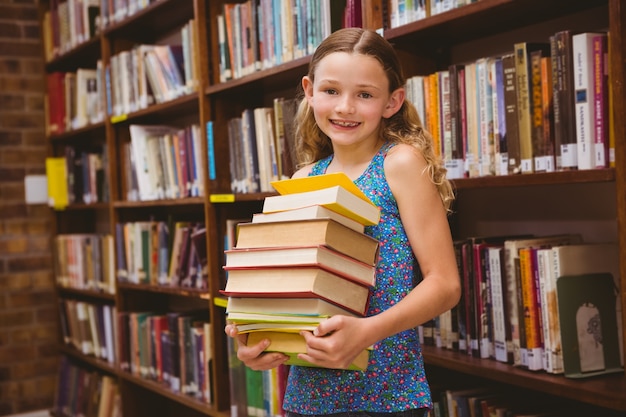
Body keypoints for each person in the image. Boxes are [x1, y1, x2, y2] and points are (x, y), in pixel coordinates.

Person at [225, 27, 461, 417]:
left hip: (388, 397)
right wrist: (257, 340)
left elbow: (445, 285)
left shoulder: (399, 164)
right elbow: (290, 289)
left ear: (392, 101)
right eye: (331, 91)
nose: (345, 107)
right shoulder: (302, 180)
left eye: (364, 94)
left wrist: (367, 332)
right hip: (308, 399)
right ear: (309, 90)